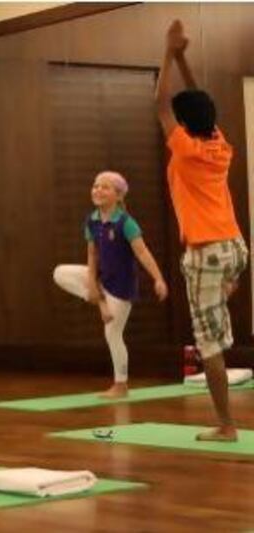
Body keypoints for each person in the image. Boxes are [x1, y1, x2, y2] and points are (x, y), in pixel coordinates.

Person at [155, 20, 248, 441]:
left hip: (207, 250)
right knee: (216, 311)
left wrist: (168, 51)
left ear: (184, 122)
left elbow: (160, 102)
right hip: (236, 249)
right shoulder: (218, 145)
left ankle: (226, 425)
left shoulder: (188, 150)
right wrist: (183, 58)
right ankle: (221, 301)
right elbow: (198, 103)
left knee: (207, 342)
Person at [54, 171, 168, 398]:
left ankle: (121, 385)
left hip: (120, 287)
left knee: (112, 334)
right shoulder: (92, 220)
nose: (97, 190)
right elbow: (92, 255)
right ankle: (100, 302)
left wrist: (158, 278)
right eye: (95, 185)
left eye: (104, 187)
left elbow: (142, 253)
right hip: (100, 280)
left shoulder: (126, 223)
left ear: (118, 195)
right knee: (60, 272)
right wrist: (92, 286)